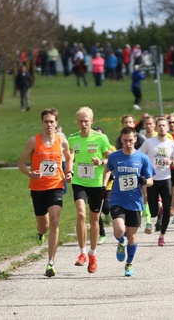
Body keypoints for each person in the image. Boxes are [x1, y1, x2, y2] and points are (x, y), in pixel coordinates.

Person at [18, 108, 73, 277]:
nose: (49, 124)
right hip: (37, 188)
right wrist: (30, 173)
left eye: (52, 121)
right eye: (46, 121)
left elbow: (69, 156)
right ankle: (41, 233)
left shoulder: (62, 141)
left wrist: (68, 172)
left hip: (56, 185)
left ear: (56, 123)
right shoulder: (33, 141)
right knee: (44, 225)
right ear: (42, 123)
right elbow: (21, 163)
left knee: (55, 221)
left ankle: (51, 262)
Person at [102, 126, 155, 276]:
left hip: (135, 202)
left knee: (132, 236)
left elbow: (151, 180)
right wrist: (104, 185)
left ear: (135, 139)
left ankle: (129, 264)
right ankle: (120, 241)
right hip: (117, 199)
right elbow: (107, 170)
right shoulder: (114, 157)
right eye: (125, 141)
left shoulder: (142, 158)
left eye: (130, 140)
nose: (128, 143)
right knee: (119, 229)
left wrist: (144, 180)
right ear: (121, 140)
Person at [68, 107, 111, 273]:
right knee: (80, 214)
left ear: (92, 121)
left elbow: (110, 157)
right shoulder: (73, 139)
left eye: (87, 121)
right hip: (79, 182)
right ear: (77, 121)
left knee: (94, 220)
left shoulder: (101, 138)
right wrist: (69, 171)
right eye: (81, 121)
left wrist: (100, 162)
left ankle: (93, 255)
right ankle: (82, 253)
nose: (84, 124)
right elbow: (70, 156)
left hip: (96, 184)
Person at [139, 117, 174, 246]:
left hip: (166, 179)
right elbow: (139, 155)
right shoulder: (149, 142)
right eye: (160, 125)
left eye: (164, 125)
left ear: (167, 127)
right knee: (153, 211)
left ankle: (162, 236)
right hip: (152, 179)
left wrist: (171, 162)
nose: (162, 127)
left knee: (168, 208)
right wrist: (146, 167)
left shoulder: (172, 144)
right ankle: (158, 205)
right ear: (156, 128)